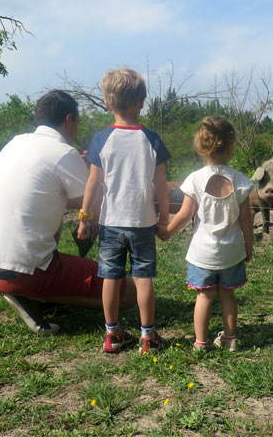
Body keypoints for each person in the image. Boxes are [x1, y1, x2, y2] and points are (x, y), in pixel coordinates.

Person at [0, 90, 136, 335]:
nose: (77, 129)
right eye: (78, 123)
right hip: (24, 273)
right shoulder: (63, 152)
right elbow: (95, 202)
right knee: (127, 293)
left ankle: (32, 294)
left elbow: (52, 194)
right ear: (69, 119)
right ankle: (32, 298)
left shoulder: (15, 143)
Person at [77, 68, 170, 354]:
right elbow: (161, 186)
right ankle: (148, 336)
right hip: (142, 223)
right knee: (143, 279)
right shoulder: (152, 140)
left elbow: (93, 184)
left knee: (110, 277)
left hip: (110, 223)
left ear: (107, 103)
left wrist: (84, 219)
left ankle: (112, 335)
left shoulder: (101, 140)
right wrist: (164, 219)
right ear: (142, 101)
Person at [164, 117, 254, 352]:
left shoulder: (195, 179)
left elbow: (184, 214)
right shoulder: (241, 181)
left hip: (202, 254)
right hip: (232, 253)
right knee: (227, 295)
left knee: (204, 297)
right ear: (231, 147)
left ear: (202, 148)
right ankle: (230, 339)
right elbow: (247, 219)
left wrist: (167, 232)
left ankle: (201, 342)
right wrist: (249, 247)